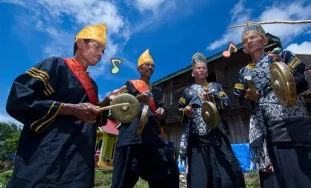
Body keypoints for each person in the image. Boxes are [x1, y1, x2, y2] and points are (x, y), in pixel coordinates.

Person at [5, 23, 126, 188]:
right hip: (47, 153)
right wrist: (70, 109)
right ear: (80, 42)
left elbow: (95, 119)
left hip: (79, 163)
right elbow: (19, 98)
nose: (101, 53)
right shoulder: (56, 64)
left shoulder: (92, 85)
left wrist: (106, 101)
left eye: (103, 50)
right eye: (97, 46)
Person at [234, 21, 311, 188]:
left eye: (253, 37)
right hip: (269, 128)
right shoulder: (244, 72)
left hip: (296, 122)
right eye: (246, 40)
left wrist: (280, 68)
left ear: (265, 41)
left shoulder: (283, 56)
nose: (249, 41)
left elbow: (302, 82)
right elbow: (241, 99)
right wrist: (249, 98)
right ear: (244, 48)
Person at [111, 49, 180, 188]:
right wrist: (138, 99)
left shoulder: (157, 91)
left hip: (153, 136)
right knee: (123, 179)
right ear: (139, 68)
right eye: (147, 64)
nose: (150, 67)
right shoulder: (130, 84)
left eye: (152, 65)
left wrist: (162, 111)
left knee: (168, 172)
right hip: (132, 135)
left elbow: (161, 109)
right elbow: (120, 105)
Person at [177, 52, 246, 188]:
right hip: (197, 139)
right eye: (198, 68)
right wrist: (186, 111)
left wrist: (213, 98)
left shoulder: (216, 87)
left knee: (228, 174)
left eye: (204, 68)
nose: (201, 70)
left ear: (207, 72)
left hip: (217, 137)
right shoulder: (187, 92)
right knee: (200, 179)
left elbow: (226, 105)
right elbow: (179, 110)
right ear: (193, 73)